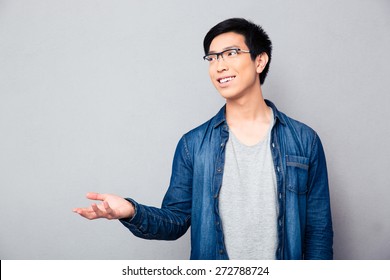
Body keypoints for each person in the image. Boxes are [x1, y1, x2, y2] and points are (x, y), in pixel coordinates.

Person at [73, 18, 333, 260]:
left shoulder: (303, 140)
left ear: (259, 61)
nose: (219, 66)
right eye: (212, 58)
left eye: (231, 53)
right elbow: (175, 221)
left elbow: (318, 232)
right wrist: (131, 210)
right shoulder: (193, 145)